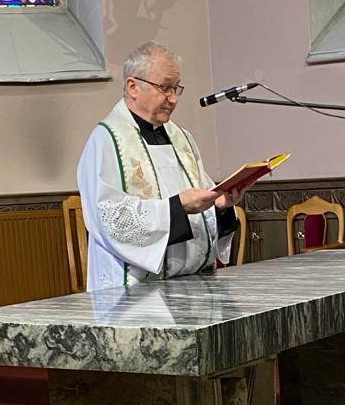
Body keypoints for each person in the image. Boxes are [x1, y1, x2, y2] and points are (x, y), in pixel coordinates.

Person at [77, 43, 242, 290]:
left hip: (191, 285)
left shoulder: (182, 138)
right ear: (133, 86)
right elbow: (110, 219)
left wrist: (220, 207)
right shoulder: (106, 141)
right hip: (134, 292)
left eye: (176, 88)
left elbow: (203, 199)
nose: (173, 98)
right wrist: (177, 207)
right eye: (165, 88)